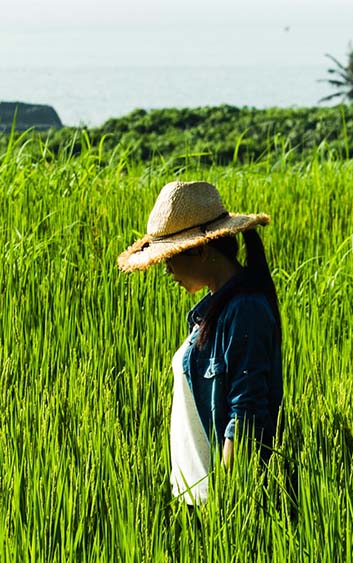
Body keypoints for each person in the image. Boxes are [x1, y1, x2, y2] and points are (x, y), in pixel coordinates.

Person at [117, 180, 283, 505]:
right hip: (193, 501)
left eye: (171, 256)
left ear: (201, 249)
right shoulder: (215, 310)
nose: (166, 269)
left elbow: (245, 415)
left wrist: (228, 509)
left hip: (216, 505)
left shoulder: (244, 310)